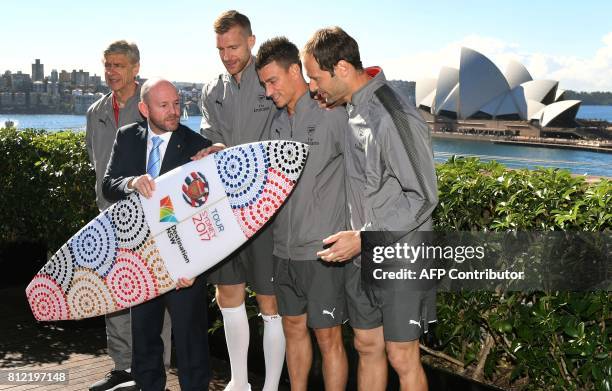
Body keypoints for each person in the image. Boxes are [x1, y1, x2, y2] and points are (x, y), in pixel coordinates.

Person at [303, 27, 439, 391]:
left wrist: (363, 239)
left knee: (401, 355)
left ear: (342, 68)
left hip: (401, 255)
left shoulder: (393, 115)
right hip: (362, 256)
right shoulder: (351, 109)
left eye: (316, 78)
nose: (314, 88)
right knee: (366, 345)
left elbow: (424, 196)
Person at [102, 78, 212, 391]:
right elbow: (109, 185)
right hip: (143, 256)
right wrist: (132, 183)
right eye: (164, 105)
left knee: (191, 341)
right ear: (144, 108)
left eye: (177, 103)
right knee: (145, 336)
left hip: (185, 260)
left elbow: (205, 210)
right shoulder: (127, 137)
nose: (174, 111)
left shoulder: (195, 145)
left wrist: (192, 265)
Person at [255, 37, 349, 391]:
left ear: (296, 71)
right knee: (293, 329)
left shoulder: (333, 114)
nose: (268, 92)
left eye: (273, 81)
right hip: (284, 249)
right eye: (264, 84)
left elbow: (363, 174)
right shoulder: (277, 123)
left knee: (328, 338)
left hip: (322, 250)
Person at [199, 10, 284, 391]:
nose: (227, 55)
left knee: (270, 303)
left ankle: (269, 387)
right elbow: (209, 139)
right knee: (227, 295)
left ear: (251, 41)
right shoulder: (209, 90)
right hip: (225, 211)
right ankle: (238, 383)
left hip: (268, 210)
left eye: (233, 46)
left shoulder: (270, 81)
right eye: (221, 48)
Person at [85, 40, 172, 391]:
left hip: (151, 218)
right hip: (111, 218)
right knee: (114, 295)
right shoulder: (95, 112)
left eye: (118, 65)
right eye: (107, 65)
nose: (111, 72)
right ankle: (123, 368)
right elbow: (96, 164)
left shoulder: (151, 106)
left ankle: (155, 371)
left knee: (153, 295)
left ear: (135, 68)